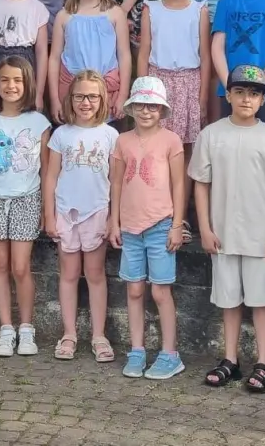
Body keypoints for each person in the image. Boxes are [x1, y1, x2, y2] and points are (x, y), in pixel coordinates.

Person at [192, 65, 265, 393]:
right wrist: (204, 227)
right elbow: (201, 185)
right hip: (222, 235)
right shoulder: (211, 135)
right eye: (240, 92)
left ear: (263, 100)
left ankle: (263, 361)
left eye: (254, 93)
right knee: (229, 301)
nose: (246, 98)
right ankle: (230, 359)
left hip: (260, 236)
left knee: (260, 302)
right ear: (228, 95)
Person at [0, 56, 52, 357]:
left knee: (21, 267)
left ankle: (27, 328)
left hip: (27, 199)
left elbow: (46, 171)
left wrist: (46, 210)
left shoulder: (39, 123)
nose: (11, 85)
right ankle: (6, 329)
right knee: (1, 265)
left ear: (27, 83)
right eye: (5, 79)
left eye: (17, 80)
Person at [109, 77, 187, 381]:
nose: (146, 111)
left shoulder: (171, 140)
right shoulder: (122, 141)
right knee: (135, 288)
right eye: (141, 105)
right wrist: (113, 221)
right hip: (129, 226)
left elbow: (179, 184)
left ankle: (170, 353)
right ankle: (137, 349)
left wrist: (177, 224)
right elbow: (116, 182)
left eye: (153, 106)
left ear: (162, 109)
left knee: (160, 290)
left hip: (160, 224)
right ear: (131, 107)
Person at [43, 70, 118, 363]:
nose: (86, 102)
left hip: (97, 210)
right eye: (79, 96)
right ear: (70, 99)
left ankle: (99, 335)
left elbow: (116, 180)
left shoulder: (111, 135)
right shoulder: (61, 134)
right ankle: (69, 333)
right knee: (69, 274)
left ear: (102, 100)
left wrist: (113, 218)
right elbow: (50, 177)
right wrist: (48, 215)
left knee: (96, 275)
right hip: (66, 211)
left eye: (92, 96)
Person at [137, 0, 210, 156]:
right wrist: (143, 91)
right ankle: (159, 187)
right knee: (155, 142)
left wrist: (202, 97)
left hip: (189, 83)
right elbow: (143, 53)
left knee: (185, 146)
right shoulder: (151, 9)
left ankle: (183, 189)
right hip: (158, 82)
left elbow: (205, 56)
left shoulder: (199, 10)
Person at [49, 0, 132, 121]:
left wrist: (123, 95)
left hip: (106, 92)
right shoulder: (64, 16)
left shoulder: (115, 14)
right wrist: (54, 100)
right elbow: (54, 58)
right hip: (72, 92)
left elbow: (124, 55)